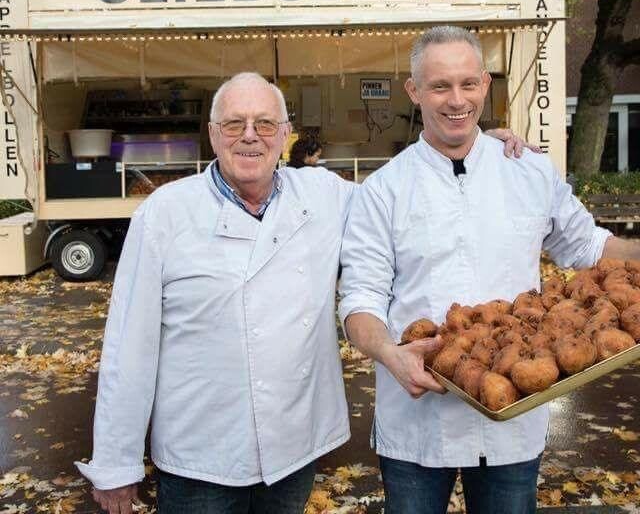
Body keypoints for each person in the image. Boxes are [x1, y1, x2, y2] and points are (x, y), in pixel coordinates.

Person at [76, 70, 531, 514]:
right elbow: (128, 345)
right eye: (235, 124)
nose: (250, 136)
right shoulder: (165, 213)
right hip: (200, 457)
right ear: (214, 134)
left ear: (286, 135)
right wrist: (117, 462)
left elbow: (406, 191)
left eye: (266, 124)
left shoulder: (324, 196)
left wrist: (472, 145)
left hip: (291, 452)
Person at [337, 26, 640, 514]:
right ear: (414, 92)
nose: (456, 100)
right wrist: (389, 353)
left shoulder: (529, 172)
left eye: (468, 84)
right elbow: (359, 300)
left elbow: (590, 246)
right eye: (439, 86)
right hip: (418, 422)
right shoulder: (384, 190)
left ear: (485, 83)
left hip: (514, 414)